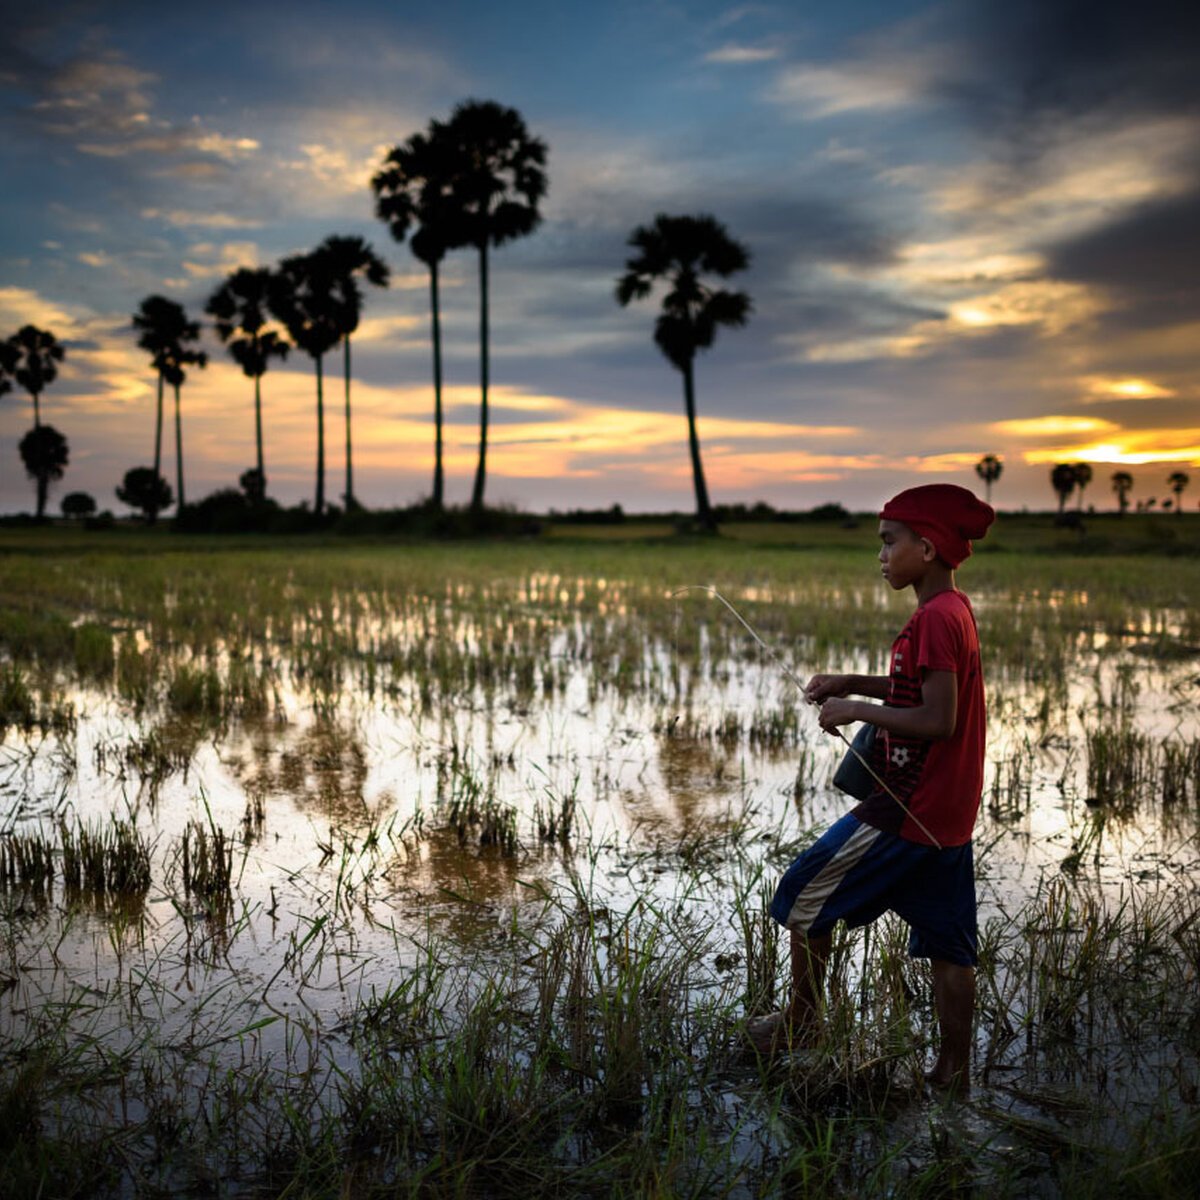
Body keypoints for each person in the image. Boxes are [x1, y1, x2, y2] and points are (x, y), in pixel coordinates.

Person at [748, 482, 995, 1095]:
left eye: (890, 542)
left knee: (803, 894)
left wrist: (857, 707)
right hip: (947, 814)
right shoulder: (948, 611)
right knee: (949, 945)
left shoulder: (936, 619)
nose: (881, 555)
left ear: (929, 547)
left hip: (910, 807)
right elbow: (917, 692)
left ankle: (802, 1022)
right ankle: (953, 1073)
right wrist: (850, 681)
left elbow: (940, 720)